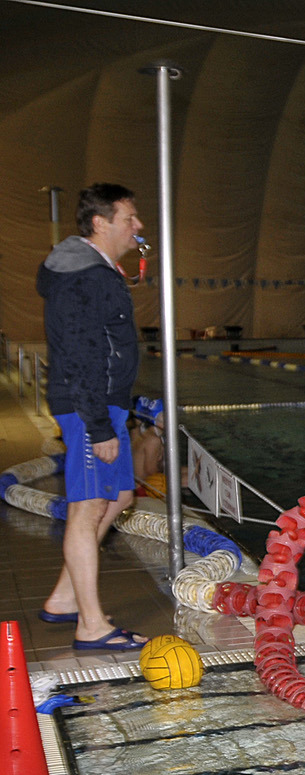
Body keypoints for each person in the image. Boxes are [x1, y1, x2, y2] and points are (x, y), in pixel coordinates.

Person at [37, 183, 148, 652]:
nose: (138, 226)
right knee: (87, 509)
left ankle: (65, 597)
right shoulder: (84, 276)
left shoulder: (96, 269)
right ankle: (91, 625)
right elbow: (79, 354)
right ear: (101, 223)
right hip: (89, 409)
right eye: (129, 218)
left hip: (105, 404)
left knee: (119, 496)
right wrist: (99, 426)